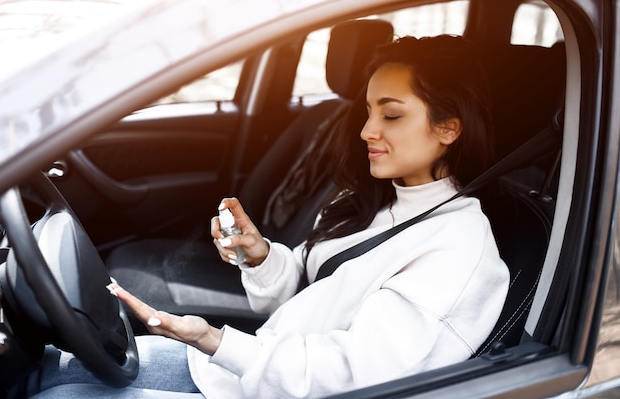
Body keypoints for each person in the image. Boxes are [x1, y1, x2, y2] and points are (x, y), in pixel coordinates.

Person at [25, 35, 509, 399]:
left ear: (448, 128)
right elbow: (306, 287)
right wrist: (260, 258)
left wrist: (214, 339)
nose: (366, 130)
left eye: (392, 115)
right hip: (254, 373)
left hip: (273, 381)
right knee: (47, 368)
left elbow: (352, 378)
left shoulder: (458, 250)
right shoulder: (377, 198)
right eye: (367, 111)